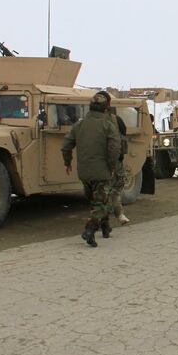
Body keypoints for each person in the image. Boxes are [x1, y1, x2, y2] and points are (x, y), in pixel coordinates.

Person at [61, 92, 121, 247]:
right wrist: (112, 166)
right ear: (107, 107)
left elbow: (66, 146)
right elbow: (114, 148)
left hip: (84, 172)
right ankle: (89, 229)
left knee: (97, 200)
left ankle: (105, 226)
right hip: (101, 171)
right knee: (101, 203)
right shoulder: (108, 125)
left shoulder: (79, 125)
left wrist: (68, 162)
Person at [108, 103, 131, 226]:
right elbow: (123, 133)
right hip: (115, 158)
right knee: (116, 188)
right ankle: (119, 213)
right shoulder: (116, 120)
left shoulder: (89, 121)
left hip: (96, 160)